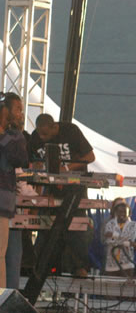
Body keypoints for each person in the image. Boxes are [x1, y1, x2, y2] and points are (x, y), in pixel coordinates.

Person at [29, 113, 96, 277]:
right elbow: (30, 161)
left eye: (46, 134)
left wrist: (66, 169)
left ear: (54, 127)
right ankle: (44, 265)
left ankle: (79, 266)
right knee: (47, 227)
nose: (43, 138)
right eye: (40, 134)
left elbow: (90, 156)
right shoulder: (35, 138)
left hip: (75, 188)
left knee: (77, 226)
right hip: (51, 190)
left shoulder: (71, 131)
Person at [0, 92, 28, 288]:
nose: (21, 113)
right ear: (5, 110)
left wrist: (2, 134)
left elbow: (20, 159)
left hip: (2, 202)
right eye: (17, 109)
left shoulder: (16, 136)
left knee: (0, 253)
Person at [103, 199, 136, 276]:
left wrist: (113, 235)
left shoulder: (133, 224)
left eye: (125, 211)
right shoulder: (110, 224)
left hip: (127, 264)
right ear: (115, 212)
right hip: (111, 265)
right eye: (120, 211)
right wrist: (127, 243)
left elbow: (131, 237)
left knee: (127, 287)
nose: (122, 214)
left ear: (129, 213)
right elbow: (108, 241)